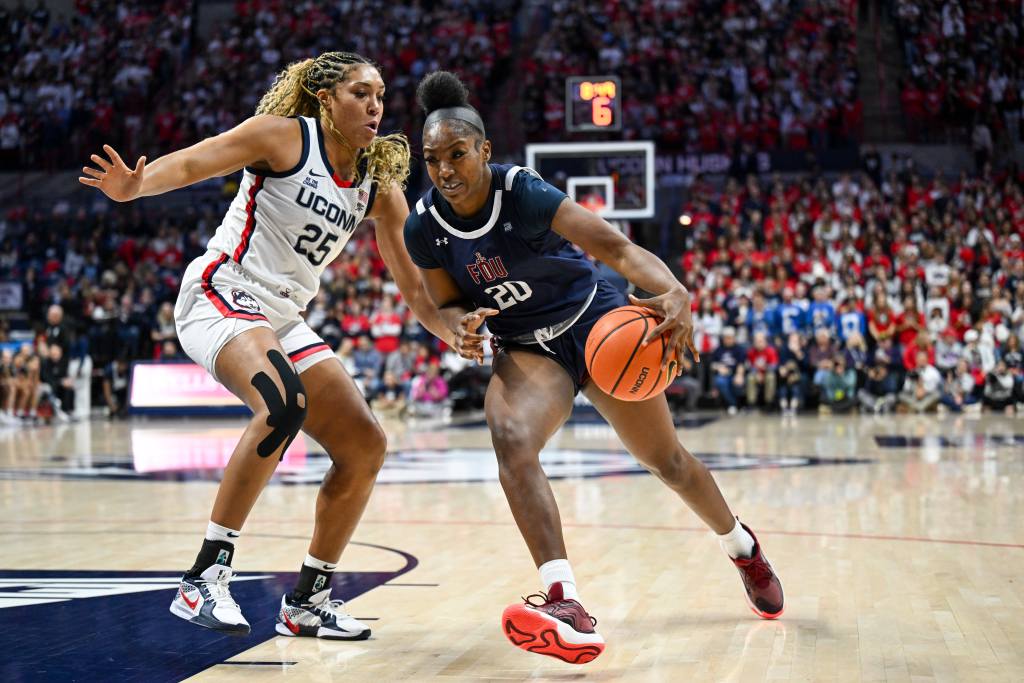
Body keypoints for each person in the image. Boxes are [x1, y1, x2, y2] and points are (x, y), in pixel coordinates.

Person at [403, 71, 783, 664]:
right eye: (433, 160)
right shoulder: (423, 224)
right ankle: (564, 600)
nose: (445, 170)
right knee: (510, 436)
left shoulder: (523, 192)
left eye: (457, 154)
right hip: (529, 348)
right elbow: (442, 302)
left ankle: (741, 547)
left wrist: (675, 290)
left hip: (597, 323)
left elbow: (618, 249)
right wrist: (459, 328)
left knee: (669, 463)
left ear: (484, 150)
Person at [80, 52, 458, 639]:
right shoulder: (283, 138)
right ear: (326, 98)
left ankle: (308, 601)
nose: (376, 105)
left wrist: (454, 332)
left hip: (281, 317)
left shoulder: (377, 186)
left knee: (363, 445)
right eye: (361, 93)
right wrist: (136, 187)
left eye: (381, 95)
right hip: (221, 291)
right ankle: (203, 577)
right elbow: (194, 163)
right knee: (282, 405)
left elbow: (413, 284)